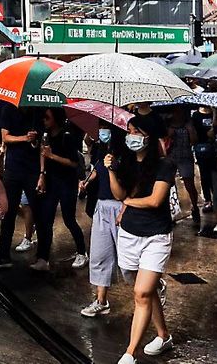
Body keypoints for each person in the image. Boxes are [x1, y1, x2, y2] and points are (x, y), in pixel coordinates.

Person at [110, 118, 176, 364]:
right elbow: (118, 194)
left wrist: (128, 202)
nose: (132, 135)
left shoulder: (165, 165)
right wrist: (111, 170)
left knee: (141, 292)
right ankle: (163, 335)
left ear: (149, 136)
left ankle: (130, 352)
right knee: (144, 291)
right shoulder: (125, 163)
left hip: (156, 235)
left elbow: (155, 201)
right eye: (129, 131)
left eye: (137, 131)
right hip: (128, 234)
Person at [33, 109, 87, 271]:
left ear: (56, 118)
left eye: (47, 117)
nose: (44, 120)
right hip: (51, 181)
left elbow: (74, 163)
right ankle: (43, 258)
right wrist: (42, 174)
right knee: (46, 219)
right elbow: (43, 153)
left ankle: (82, 252)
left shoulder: (67, 136)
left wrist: (52, 156)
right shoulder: (45, 134)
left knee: (69, 219)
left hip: (67, 183)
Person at [80, 126, 125, 318]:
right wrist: (86, 182)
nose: (101, 132)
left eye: (105, 129)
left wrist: (114, 168)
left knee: (129, 262)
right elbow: (97, 171)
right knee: (99, 255)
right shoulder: (101, 150)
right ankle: (101, 300)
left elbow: (124, 190)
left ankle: (153, 285)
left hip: (122, 207)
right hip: (102, 206)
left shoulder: (126, 154)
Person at [0, 102, 40, 268]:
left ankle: (42, 256)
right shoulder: (8, 108)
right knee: (9, 211)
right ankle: (4, 254)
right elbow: (5, 137)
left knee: (37, 210)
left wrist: (35, 140)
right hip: (13, 168)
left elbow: (42, 140)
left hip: (33, 169)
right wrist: (25, 138)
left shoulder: (37, 110)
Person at [166, 106, 200, 228]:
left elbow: (194, 140)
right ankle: (170, 210)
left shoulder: (188, 123)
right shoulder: (167, 122)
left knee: (189, 184)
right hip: (171, 157)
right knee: (168, 185)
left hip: (185, 157)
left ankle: (195, 207)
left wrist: (190, 130)